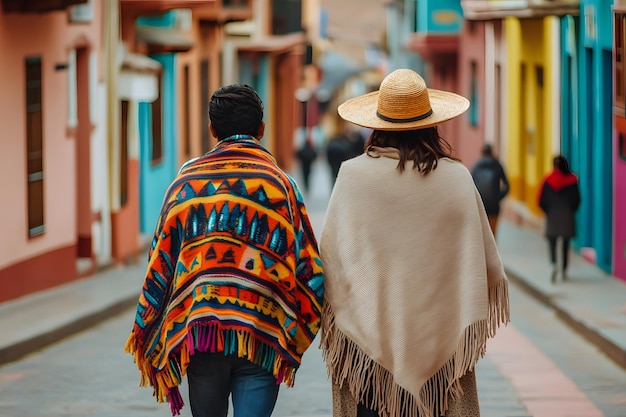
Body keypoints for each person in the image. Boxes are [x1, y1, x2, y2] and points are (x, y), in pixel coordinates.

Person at [125, 84, 325, 417]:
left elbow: (161, 261)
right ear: (261, 130)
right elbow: (309, 269)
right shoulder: (281, 185)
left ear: (212, 130)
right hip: (262, 332)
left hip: (201, 332)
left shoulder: (184, 184)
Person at [319, 69, 510, 417]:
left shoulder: (353, 175)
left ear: (377, 124)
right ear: (432, 124)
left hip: (369, 365)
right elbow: (479, 261)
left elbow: (332, 262)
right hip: (442, 366)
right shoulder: (456, 178)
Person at [538, 155, 581, 283]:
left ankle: (553, 263)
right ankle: (564, 269)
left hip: (552, 215)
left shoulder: (547, 180)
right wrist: (570, 210)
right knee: (565, 243)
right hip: (567, 214)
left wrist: (548, 211)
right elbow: (577, 199)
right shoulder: (572, 180)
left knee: (552, 241)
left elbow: (540, 200)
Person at [471, 143, 510, 235]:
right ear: (491, 152)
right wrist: (498, 197)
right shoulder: (497, 165)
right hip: (494, 207)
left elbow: (471, 185)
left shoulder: (476, 165)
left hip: (480, 205)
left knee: (482, 234)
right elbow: (507, 186)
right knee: (492, 234)